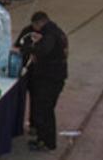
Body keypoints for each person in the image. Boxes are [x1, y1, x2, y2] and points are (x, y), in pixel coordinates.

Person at [16, 10, 68, 151]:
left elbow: (43, 50)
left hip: (49, 79)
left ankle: (46, 142)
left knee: (44, 111)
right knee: (45, 110)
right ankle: (42, 137)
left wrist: (26, 48)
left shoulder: (50, 34)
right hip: (55, 77)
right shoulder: (56, 31)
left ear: (39, 23)